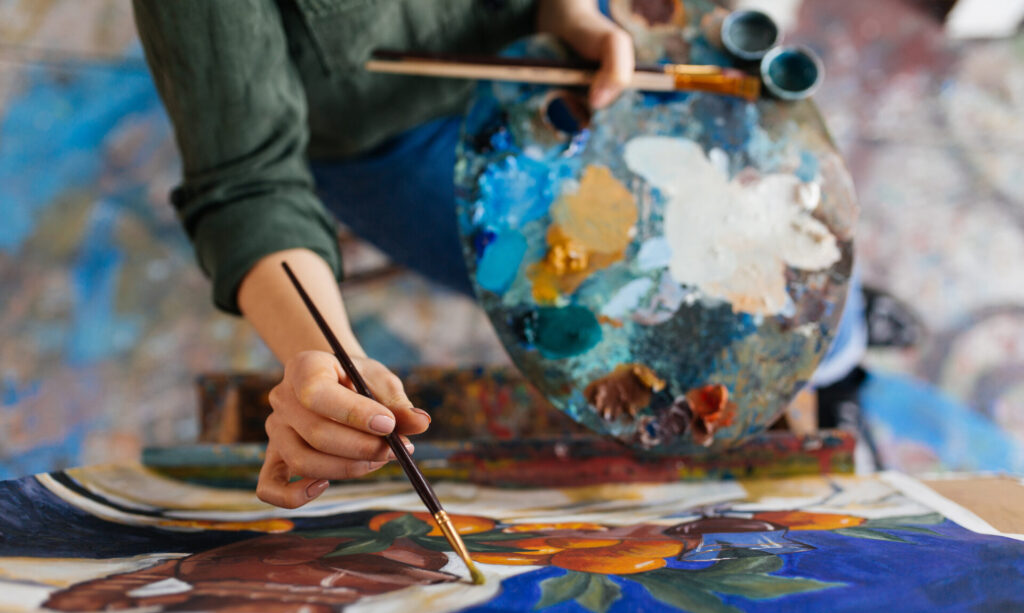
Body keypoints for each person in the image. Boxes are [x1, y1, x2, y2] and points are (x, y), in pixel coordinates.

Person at [134, 1, 880, 510]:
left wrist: (570, 13)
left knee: (776, 263)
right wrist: (320, 355)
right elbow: (248, 181)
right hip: (398, 133)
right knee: (628, 311)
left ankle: (845, 364)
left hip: (571, 42)